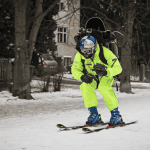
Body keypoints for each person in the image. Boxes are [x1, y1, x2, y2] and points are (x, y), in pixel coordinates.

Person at [71, 34, 123, 126]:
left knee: (104, 88)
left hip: (105, 76)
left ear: (94, 47)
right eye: (83, 50)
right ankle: (94, 115)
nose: (85, 53)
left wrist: (106, 72)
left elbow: (118, 68)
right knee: (84, 86)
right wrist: (82, 76)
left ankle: (116, 115)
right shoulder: (80, 55)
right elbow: (75, 69)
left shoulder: (105, 52)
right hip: (92, 77)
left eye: (88, 51)